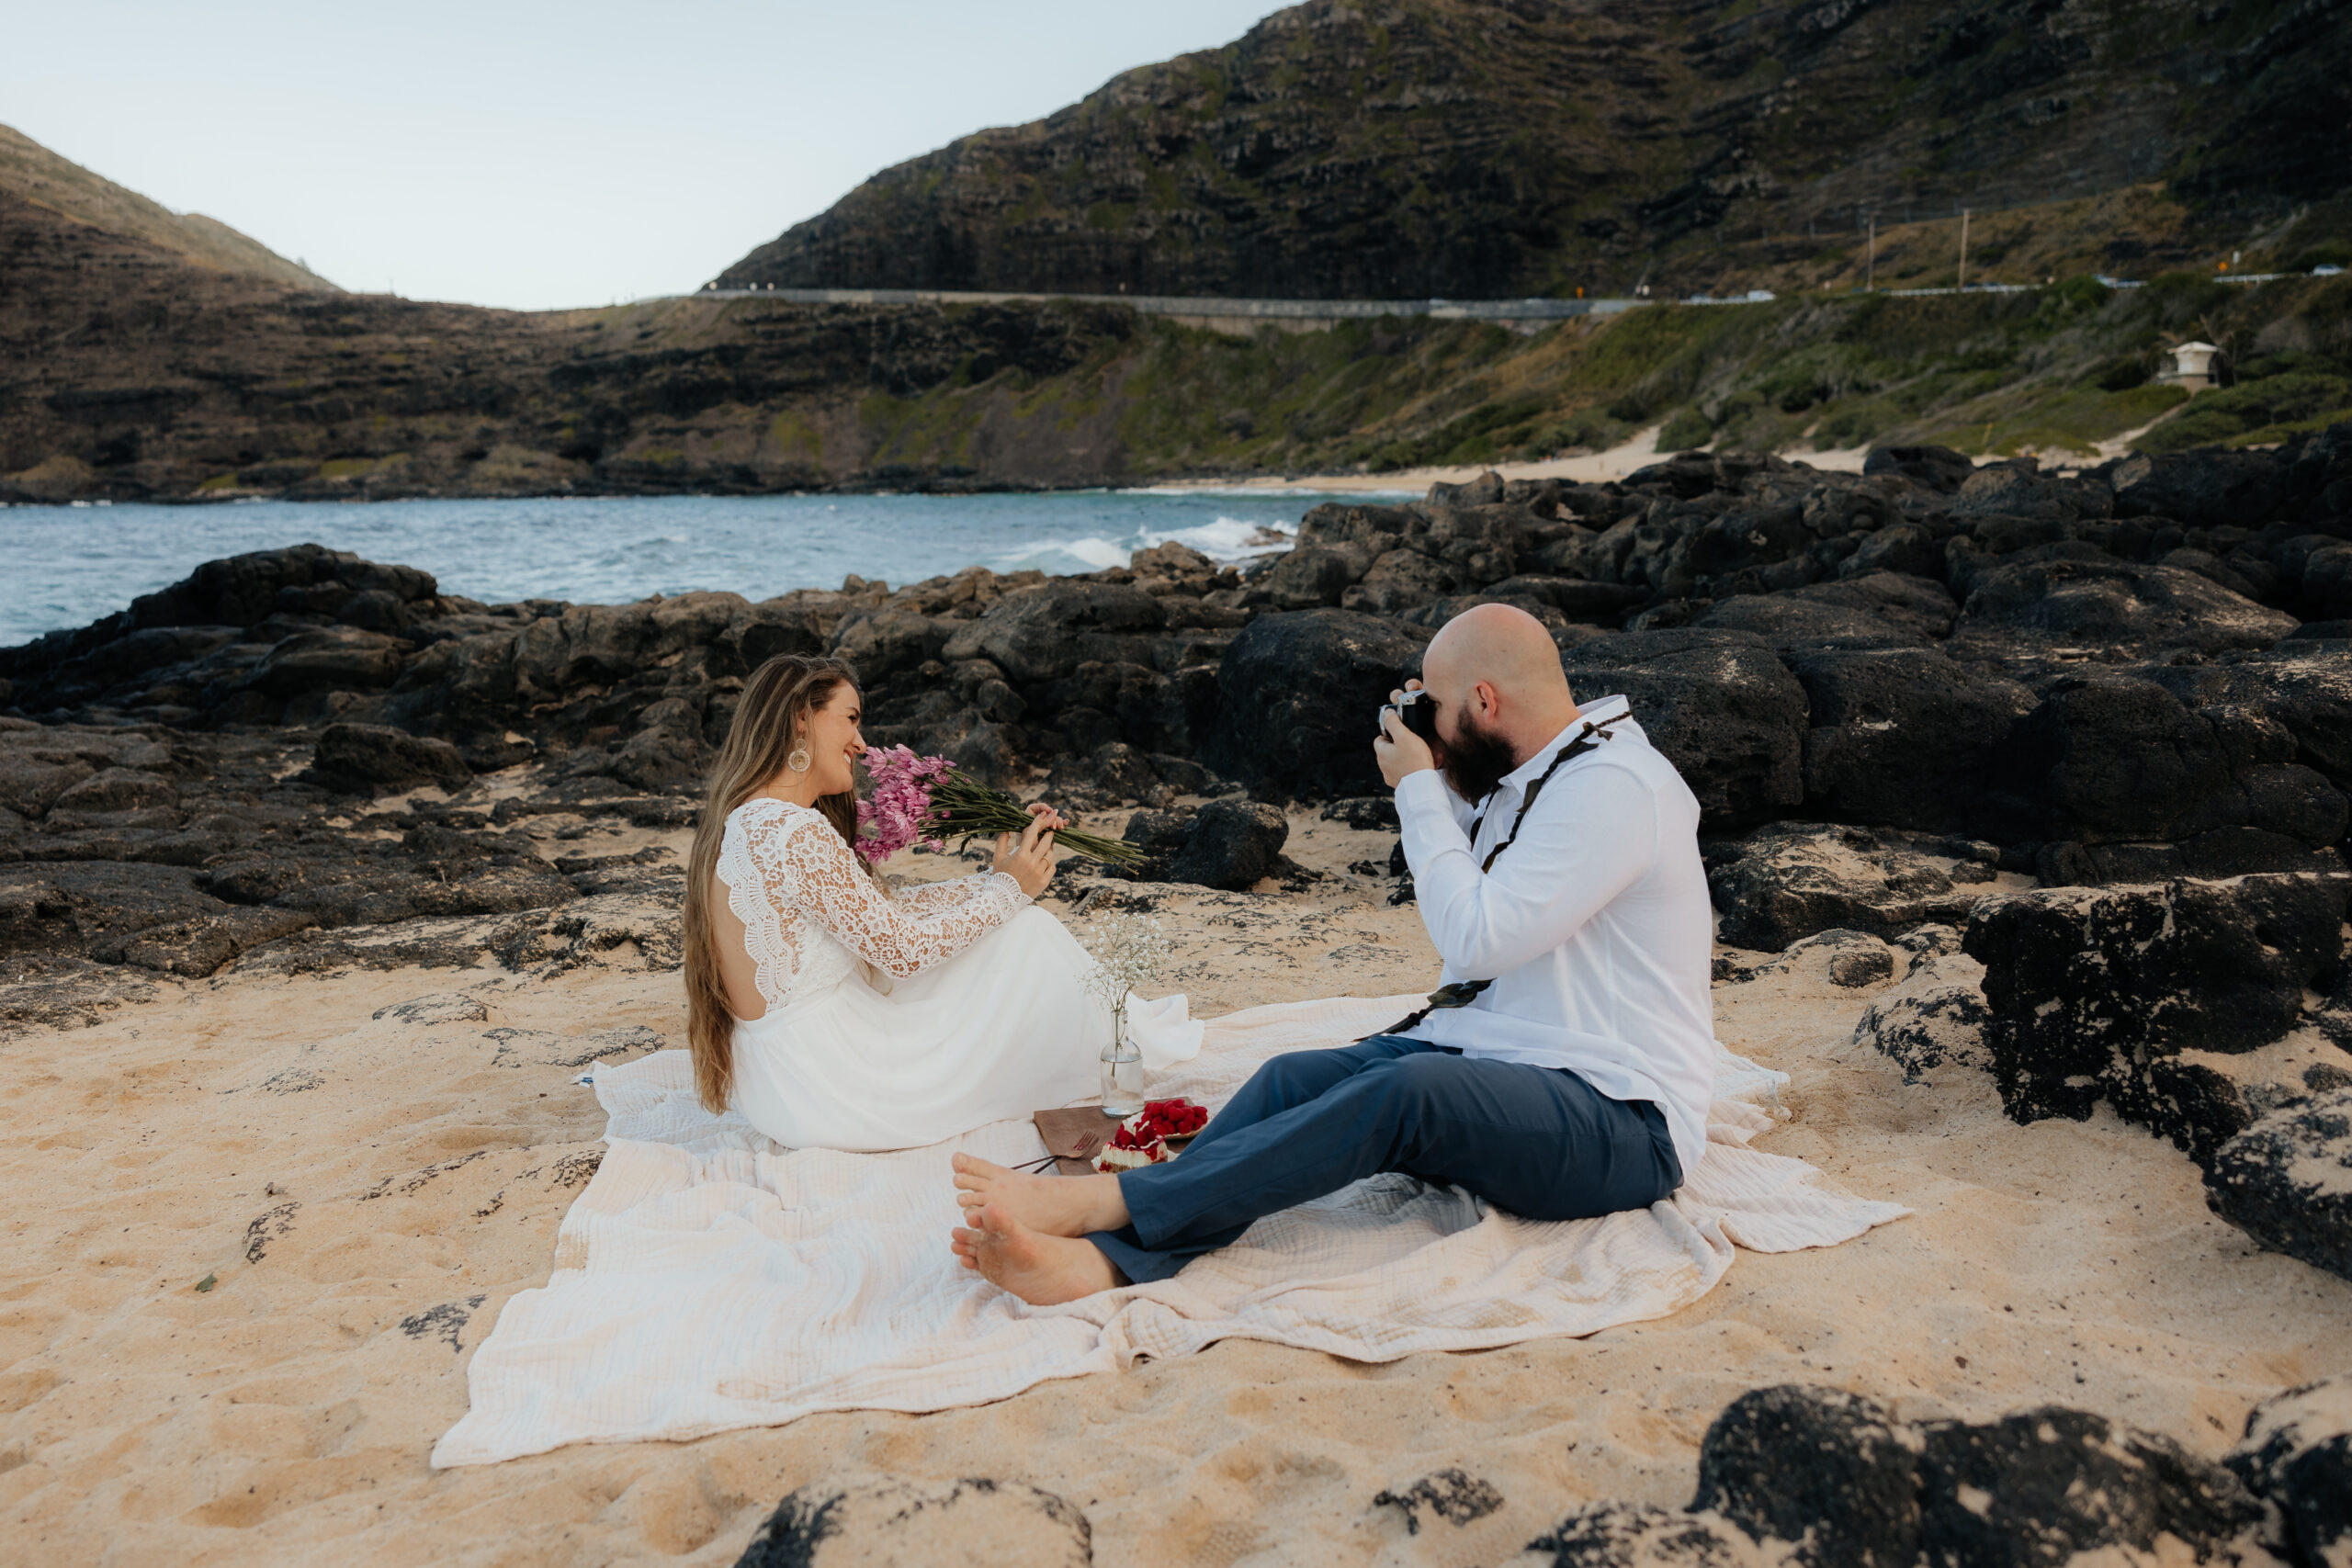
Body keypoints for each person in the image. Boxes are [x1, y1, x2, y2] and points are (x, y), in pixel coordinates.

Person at [949, 603, 1717, 1303]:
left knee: (1403, 1095)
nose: (1432, 729)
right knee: (1293, 1077)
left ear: (1485, 701)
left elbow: (1479, 937)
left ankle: (1103, 1217)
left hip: (1622, 1116)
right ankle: (1123, 1252)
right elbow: (1478, 871)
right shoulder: (1533, 774)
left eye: (1440, 710)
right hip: (1511, 1059)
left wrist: (1420, 785)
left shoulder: (1615, 786)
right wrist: (1437, 770)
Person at [682, 652, 1201, 1151]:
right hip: (833, 1084)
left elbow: (884, 909)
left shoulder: (750, 819)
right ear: (801, 718)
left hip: (782, 1086)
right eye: (850, 719)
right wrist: (1008, 894)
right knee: (1026, 935)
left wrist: (997, 881)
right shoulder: (793, 831)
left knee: (1014, 926)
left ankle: (1124, 1035)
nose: (862, 744)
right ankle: (1125, 1047)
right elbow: (902, 952)